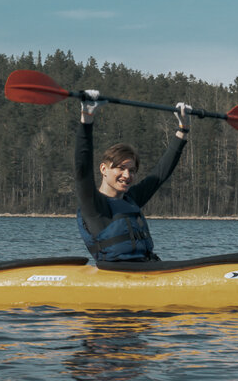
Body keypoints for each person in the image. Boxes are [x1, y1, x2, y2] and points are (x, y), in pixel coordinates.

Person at [74, 90, 191, 262]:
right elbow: (82, 168)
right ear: (103, 169)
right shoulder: (93, 205)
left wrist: (183, 130)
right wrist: (87, 119)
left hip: (148, 269)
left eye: (132, 170)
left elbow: (160, 173)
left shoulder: (131, 199)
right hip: (120, 274)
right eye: (121, 168)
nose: (127, 175)